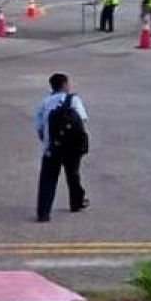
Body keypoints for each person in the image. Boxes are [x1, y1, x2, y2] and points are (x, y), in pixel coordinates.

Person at [33, 73, 89, 223]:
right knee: (73, 174)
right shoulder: (73, 99)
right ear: (65, 84)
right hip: (71, 147)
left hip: (52, 147)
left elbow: (39, 128)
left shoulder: (44, 102)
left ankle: (43, 212)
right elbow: (82, 120)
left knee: (48, 179)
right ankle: (76, 202)